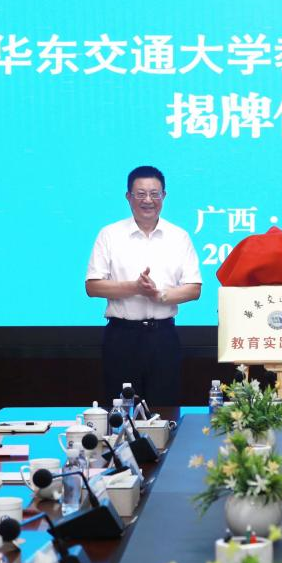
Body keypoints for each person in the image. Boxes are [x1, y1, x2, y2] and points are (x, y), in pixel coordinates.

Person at [85, 166, 202, 405]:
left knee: (165, 407)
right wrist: (135, 288)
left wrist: (159, 295)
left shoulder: (178, 236)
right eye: (140, 194)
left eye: (154, 194)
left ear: (164, 196)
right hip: (122, 336)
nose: (148, 200)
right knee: (120, 409)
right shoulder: (110, 234)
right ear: (128, 196)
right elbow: (93, 286)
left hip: (163, 337)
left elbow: (194, 289)